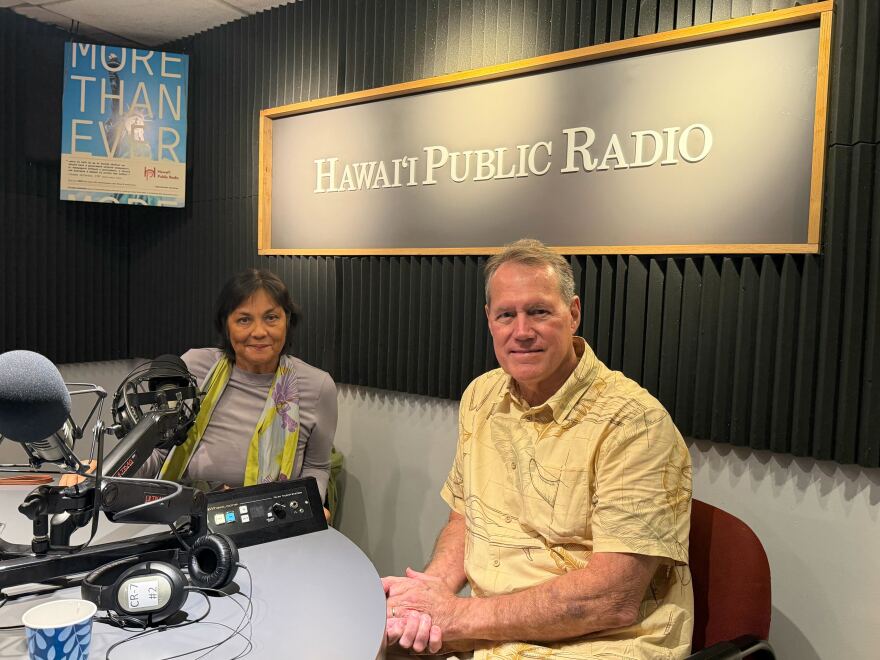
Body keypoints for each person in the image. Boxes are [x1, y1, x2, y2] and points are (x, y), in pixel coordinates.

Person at [383, 239, 693, 659]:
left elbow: (611, 599)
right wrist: (434, 588)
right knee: (369, 639)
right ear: (489, 320)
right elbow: (465, 515)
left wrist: (455, 616)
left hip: (599, 641)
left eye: (539, 312)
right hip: (493, 623)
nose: (522, 331)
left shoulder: (634, 422)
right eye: (506, 314)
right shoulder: (482, 396)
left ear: (574, 314)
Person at [66, 269, 337, 514]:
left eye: (271, 318)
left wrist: (310, 506)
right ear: (225, 324)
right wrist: (109, 470)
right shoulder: (195, 368)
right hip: (186, 511)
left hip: (269, 519)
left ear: (287, 321)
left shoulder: (316, 386)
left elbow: (317, 466)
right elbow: (161, 452)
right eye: (244, 320)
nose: (259, 332)